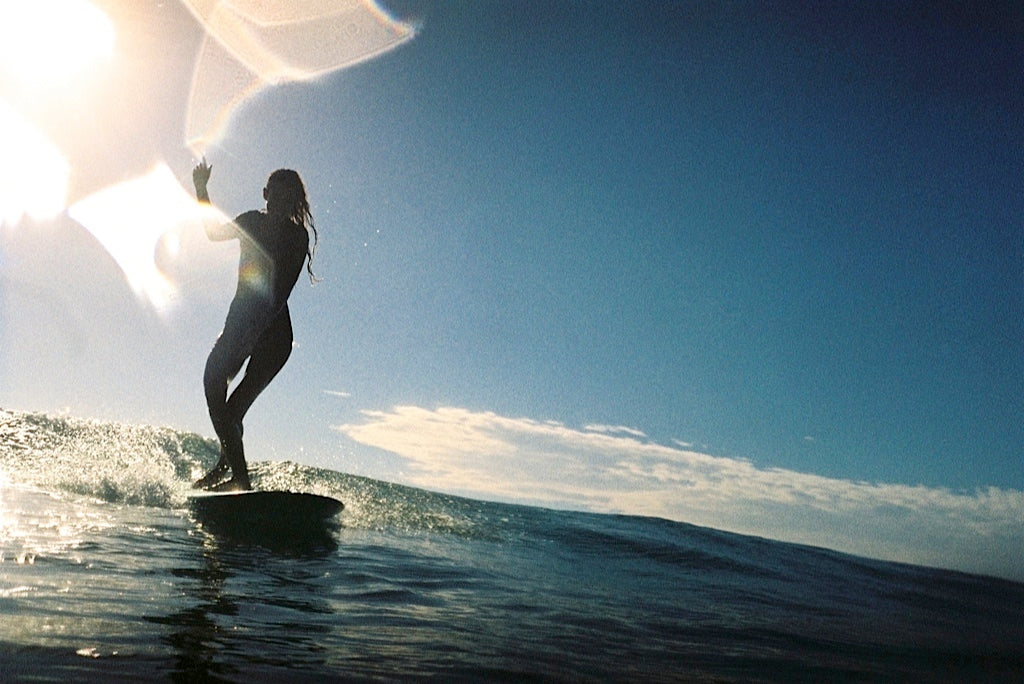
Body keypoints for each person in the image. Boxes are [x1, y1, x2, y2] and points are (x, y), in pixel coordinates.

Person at [191, 159, 318, 491]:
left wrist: (250, 336)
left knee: (233, 410)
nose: (279, 204)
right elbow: (212, 232)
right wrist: (201, 190)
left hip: (273, 337)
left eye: (287, 199)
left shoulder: (296, 237)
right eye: (274, 196)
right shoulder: (250, 221)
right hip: (240, 324)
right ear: (265, 195)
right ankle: (228, 468)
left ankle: (240, 480)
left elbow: (278, 293)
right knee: (212, 381)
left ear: (296, 203)